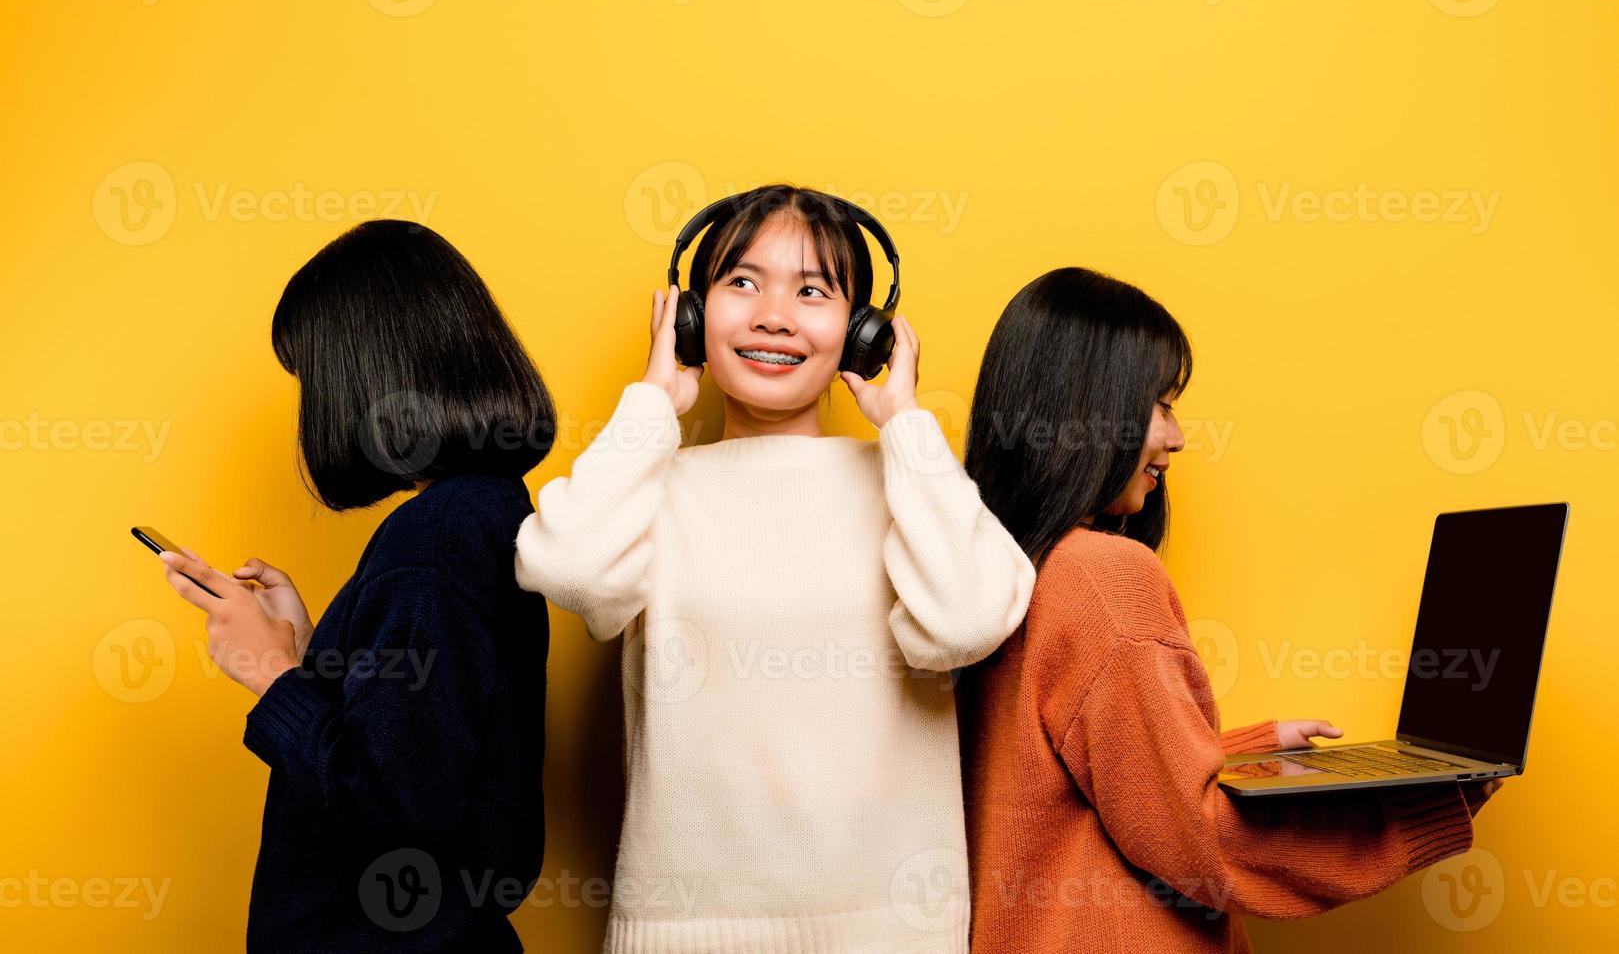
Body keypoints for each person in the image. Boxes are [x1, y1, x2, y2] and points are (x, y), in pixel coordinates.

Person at [514, 185, 1036, 951]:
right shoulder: (651, 484)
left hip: (889, 934)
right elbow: (565, 567)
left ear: (863, 334)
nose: (773, 317)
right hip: (685, 933)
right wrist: (652, 402)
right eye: (742, 283)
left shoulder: (907, 482)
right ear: (690, 318)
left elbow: (964, 622)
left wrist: (906, 428)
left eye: (813, 291)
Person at [957, 266, 1498, 953]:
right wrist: (1426, 807)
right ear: (1089, 407)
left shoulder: (983, 566)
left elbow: (1044, 773)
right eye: (1158, 405)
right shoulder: (1101, 576)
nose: (1176, 437)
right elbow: (1207, 847)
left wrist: (1241, 754)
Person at [156, 219, 555, 952]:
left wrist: (269, 672)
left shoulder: (432, 539)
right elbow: (428, 736)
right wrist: (318, 657)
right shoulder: (482, 510)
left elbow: (397, 802)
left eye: (314, 376)